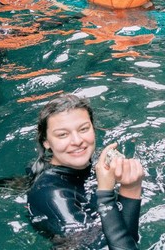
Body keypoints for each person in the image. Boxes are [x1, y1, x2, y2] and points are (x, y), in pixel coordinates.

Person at [26, 94, 143, 250]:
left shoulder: (93, 164)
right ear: (46, 142)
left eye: (83, 129)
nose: (77, 141)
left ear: (93, 129)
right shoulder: (52, 195)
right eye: (62, 134)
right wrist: (120, 192)